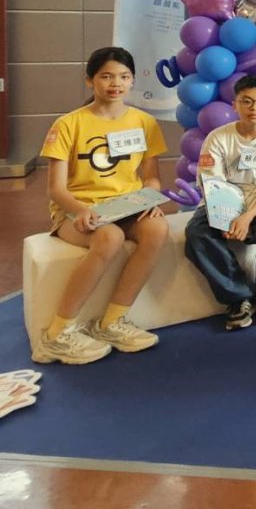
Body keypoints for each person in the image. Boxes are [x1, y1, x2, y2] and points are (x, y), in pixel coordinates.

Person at [34, 47, 169, 364]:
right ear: (89, 80)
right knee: (109, 237)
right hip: (77, 210)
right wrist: (82, 210)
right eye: (106, 76)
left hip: (127, 206)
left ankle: (112, 321)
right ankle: (57, 333)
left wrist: (151, 198)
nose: (115, 84)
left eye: (123, 76)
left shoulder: (145, 122)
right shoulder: (68, 124)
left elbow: (152, 178)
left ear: (133, 81)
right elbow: (56, 189)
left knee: (157, 229)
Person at [185, 75, 256, 330]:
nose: (254, 108)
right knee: (196, 233)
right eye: (246, 101)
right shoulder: (217, 137)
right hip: (222, 198)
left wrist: (246, 217)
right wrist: (225, 217)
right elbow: (213, 183)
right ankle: (237, 297)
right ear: (234, 105)